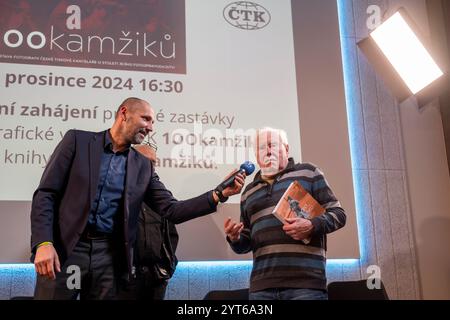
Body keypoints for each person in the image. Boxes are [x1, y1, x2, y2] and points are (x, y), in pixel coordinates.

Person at [31, 97, 245, 300]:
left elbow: (172, 210)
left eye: (152, 122)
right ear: (124, 113)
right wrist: (43, 242)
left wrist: (218, 194)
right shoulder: (77, 141)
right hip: (67, 252)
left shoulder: (142, 166)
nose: (151, 127)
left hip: (108, 258)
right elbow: (46, 194)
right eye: (146, 119)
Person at [224, 127, 346, 300]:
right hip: (261, 288)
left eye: (272, 145)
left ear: (286, 149)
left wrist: (311, 225)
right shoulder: (248, 192)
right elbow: (246, 243)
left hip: (306, 286)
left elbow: (339, 215)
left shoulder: (309, 172)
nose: (267, 151)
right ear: (256, 156)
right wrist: (235, 239)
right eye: (261, 148)